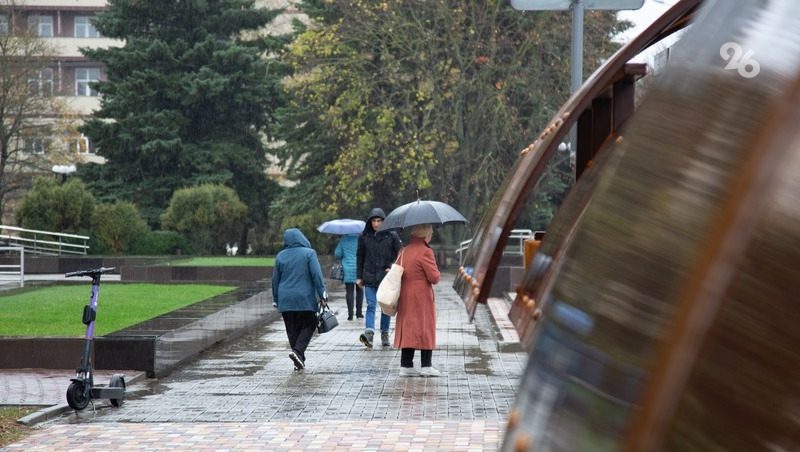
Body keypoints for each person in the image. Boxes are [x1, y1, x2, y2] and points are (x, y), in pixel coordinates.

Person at [272, 228, 327, 371]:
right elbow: (316, 275)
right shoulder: (309, 253)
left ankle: (299, 359)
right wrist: (322, 294)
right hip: (305, 298)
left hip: (285, 299)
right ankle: (297, 353)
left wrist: (276, 298)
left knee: (292, 329)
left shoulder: (280, 256)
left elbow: (275, 280)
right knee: (310, 324)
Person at [394, 224, 441, 377]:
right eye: (431, 232)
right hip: (421, 298)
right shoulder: (426, 251)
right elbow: (434, 278)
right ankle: (426, 365)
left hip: (405, 296)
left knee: (408, 328)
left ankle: (406, 365)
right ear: (426, 234)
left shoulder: (404, 250)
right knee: (425, 327)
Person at [356, 207, 402, 348]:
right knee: (371, 305)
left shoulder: (392, 236)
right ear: (370, 222)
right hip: (369, 276)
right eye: (374, 221)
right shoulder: (364, 237)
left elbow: (400, 254)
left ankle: (384, 333)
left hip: (386, 277)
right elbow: (360, 257)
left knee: (385, 306)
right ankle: (369, 333)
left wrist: (392, 266)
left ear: (384, 221)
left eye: (379, 221)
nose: (376, 224)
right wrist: (358, 277)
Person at [335, 234, 364, 320]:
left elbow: (337, 254)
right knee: (360, 290)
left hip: (347, 268)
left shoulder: (343, 240)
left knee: (349, 291)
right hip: (359, 268)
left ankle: (350, 315)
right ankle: (359, 313)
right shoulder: (360, 239)